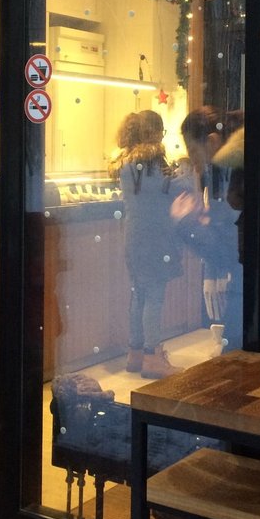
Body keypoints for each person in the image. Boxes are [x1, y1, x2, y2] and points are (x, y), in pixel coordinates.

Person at [109, 110, 186, 378]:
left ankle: (136, 354)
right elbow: (172, 190)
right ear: (153, 132)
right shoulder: (154, 161)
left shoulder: (125, 162)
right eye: (161, 131)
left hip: (133, 235)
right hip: (156, 236)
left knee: (138, 294)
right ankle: (153, 357)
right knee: (154, 295)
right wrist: (184, 171)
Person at [174, 107, 245, 350]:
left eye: (194, 152)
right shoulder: (233, 168)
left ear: (212, 141)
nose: (194, 162)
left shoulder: (232, 175)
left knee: (236, 355)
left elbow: (229, 252)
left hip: (250, 283)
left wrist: (188, 223)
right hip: (259, 281)